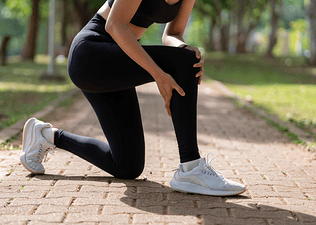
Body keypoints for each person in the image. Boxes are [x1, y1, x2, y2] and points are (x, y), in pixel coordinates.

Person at [20, 0, 246, 196]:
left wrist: (185, 48)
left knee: (127, 166)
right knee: (184, 61)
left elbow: (172, 34)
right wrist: (160, 75)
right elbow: (115, 25)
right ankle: (191, 166)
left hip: (119, 59)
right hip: (91, 54)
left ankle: (46, 136)